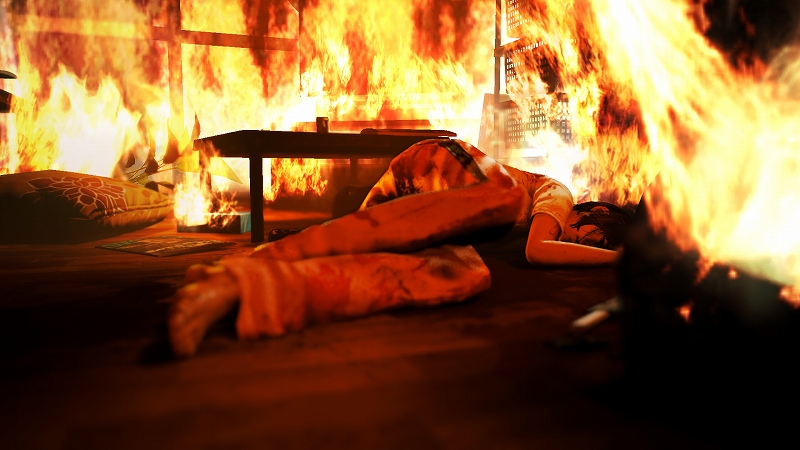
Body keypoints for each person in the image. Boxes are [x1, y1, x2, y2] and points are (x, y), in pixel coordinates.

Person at [168, 138, 631, 357]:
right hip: (438, 164)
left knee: (459, 274)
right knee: (504, 198)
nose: (573, 244)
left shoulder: (513, 230)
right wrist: (622, 259)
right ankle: (266, 259)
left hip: (419, 210)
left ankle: (244, 286)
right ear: (591, 213)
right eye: (586, 238)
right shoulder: (557, 192)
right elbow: (538, 250)